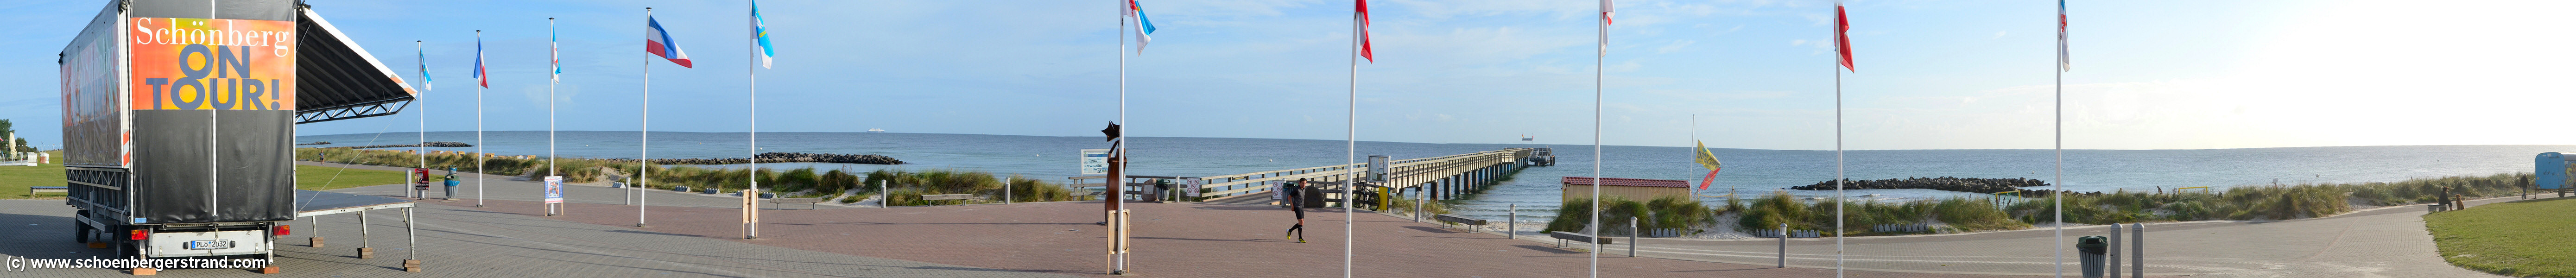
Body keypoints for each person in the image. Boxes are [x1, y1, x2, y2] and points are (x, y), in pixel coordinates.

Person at [1284, 178, 1308, 243]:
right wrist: (1292, 206)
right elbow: (1289, 197)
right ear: (1300, 183)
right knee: (1301, 222)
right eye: (1303, 183)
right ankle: (1300, 239)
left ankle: (1290, 231)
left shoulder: (1304, 189)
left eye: (1305, 183)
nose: (1304, 185)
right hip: (1297, 207)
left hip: (1302, 207)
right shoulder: (1296, 189)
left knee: (1301, 223)